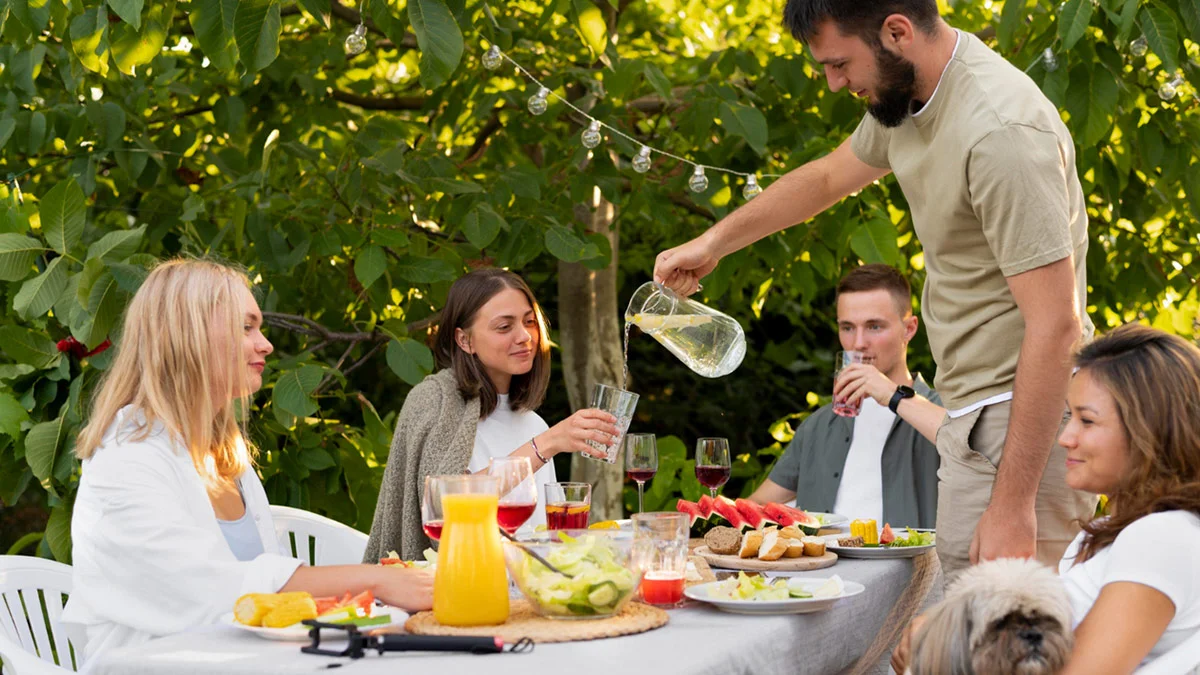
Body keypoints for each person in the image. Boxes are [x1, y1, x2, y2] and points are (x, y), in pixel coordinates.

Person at [652, 0, 1096, 575]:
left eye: (840, 64)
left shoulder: (1001, 132)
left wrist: (1012, 503)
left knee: (1010, 654)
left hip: (1021, 424)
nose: (837, 83)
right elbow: (828, 176)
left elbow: (1057, 326)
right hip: (974, 415)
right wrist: (714, 243)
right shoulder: (909, 100)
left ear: (897, 32)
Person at [61, 260, 433, 670]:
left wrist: (373, 595)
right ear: (189, 336)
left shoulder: (224, 453)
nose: (266, 344)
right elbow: (209, 588)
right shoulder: (128, 455)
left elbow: (264, 602)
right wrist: (377, 581)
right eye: (245, 327)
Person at [894, 323, 1200, 672]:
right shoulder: (1110, 530)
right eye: (1070, 417)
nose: (1065, 437)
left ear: (1151, 429)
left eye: (1086, 421)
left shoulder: (1162, 537)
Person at [363, 268, 619, 561]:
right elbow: (445, 506)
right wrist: (546, 444)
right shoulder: (433, 402)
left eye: (529, 322)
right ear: (464, 340)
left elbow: (551, 536)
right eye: (504, 327)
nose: (525, 336)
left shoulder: (533, 422)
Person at [749, 264, 943, 528]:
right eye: (848, 327)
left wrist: (891, 395)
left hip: (909, 569)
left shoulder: (939, 409)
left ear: (909, 329)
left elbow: (971, 444)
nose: (858, 343)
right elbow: (758, 505)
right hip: (821, 567)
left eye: (874, 327)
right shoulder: (818, 425)